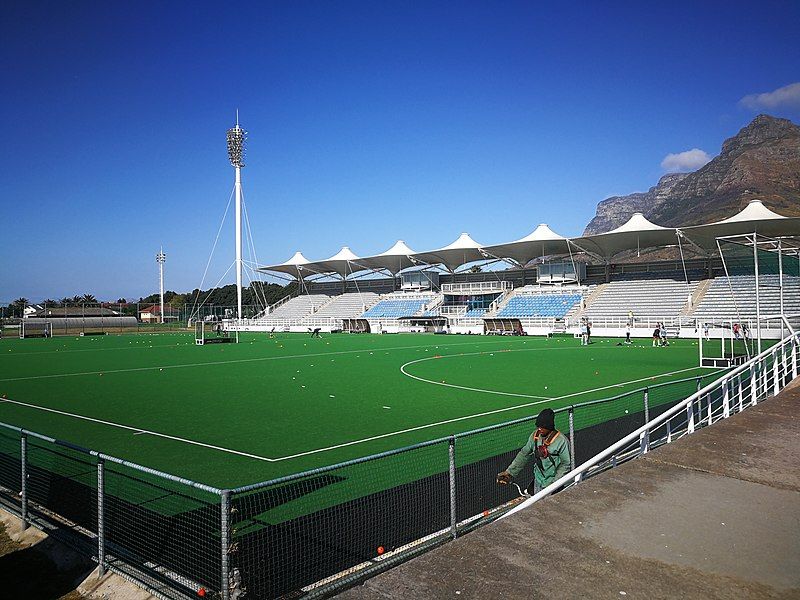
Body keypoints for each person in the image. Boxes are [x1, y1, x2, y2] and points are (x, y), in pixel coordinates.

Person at [496, 408, 571, 496]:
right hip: (538, 481)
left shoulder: (561, 441)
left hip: (554, 485)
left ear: (549, 426)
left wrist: (554, 484)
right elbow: (524, 454)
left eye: (543, 427)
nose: (540, 429)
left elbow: (566, 464)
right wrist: (509, 472)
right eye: (538, 426)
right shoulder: (535, 436)